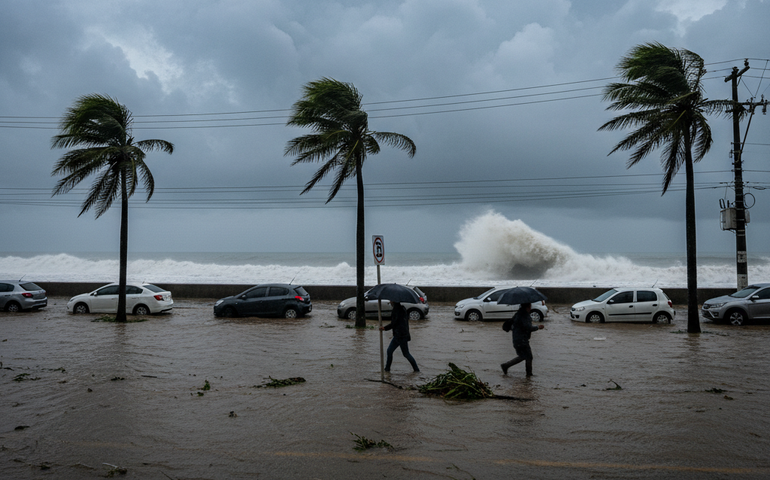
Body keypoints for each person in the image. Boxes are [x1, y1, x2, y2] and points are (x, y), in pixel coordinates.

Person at [501, 303, 544, 376]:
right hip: (522, 340)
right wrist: (538, 327)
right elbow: (528, 327)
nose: (531, 307)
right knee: (527, 356)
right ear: (528, 306)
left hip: (517, 339)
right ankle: (528, 374)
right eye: (530, 305)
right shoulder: (524, 316)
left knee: (524, 356)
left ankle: (507, 366)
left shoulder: (518, 314)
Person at [379, 301, 419, 372]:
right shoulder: (402, 308)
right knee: (398, 352)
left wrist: (384, 328)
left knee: (401, 353)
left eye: (391, 301)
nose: (390, 302)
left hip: (400, 335)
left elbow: (394, 323)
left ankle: (387, 369)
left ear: (393, 301)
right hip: (403, 334)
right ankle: (387, 369)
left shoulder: (396, 310)